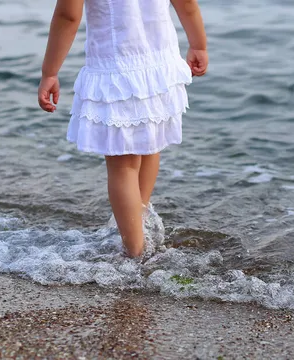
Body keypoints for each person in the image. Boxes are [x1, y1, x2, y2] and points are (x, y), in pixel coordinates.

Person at [38, 0, 208, 257]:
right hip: (160, 66)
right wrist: (198, 44)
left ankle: (134, 252)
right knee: (150, 144)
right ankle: (142, 225)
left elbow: (68, 16)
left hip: (117, 69)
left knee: (123, 165)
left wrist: (49, 72)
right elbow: (186, 3)